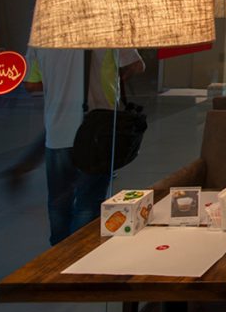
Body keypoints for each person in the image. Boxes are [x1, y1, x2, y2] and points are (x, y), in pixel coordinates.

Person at [23, 48, 144, 245]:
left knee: (58, 203)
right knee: (88, 203)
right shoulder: (107, 32)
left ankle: (59, 255)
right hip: (97, 132)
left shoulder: (40, 37)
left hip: (57, 130)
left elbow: (31, 83)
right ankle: (79, 254)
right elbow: (136, 65)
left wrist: (60, 82)